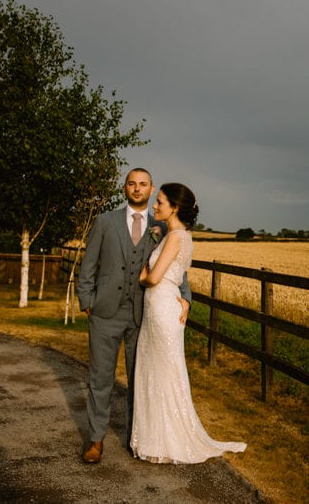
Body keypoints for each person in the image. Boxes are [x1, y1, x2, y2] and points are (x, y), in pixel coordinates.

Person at [76, 168, 193, 464]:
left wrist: (187, 299)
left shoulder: (162, 226)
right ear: (125, 188)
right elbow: (88, 264)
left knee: (137, 379)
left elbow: (178, 269)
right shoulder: (105, 221)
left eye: (143, 184)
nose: (137, 189)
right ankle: (96, 439)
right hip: (104, 313)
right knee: (100, 379)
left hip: (144, 316)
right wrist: (86, 301)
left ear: (152, 188)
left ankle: (134, 438)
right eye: (132, 184)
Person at [130, 182, 246, 463]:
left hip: (161, 310)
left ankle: (166, 440)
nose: (155, 206)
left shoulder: (175, 237)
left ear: (175, 207)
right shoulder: (177, 235)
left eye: (160, 202)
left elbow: (155, 278)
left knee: (164, 373)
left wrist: (143, 276)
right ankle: (155, 438)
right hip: (161, 308)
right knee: (158, 371)